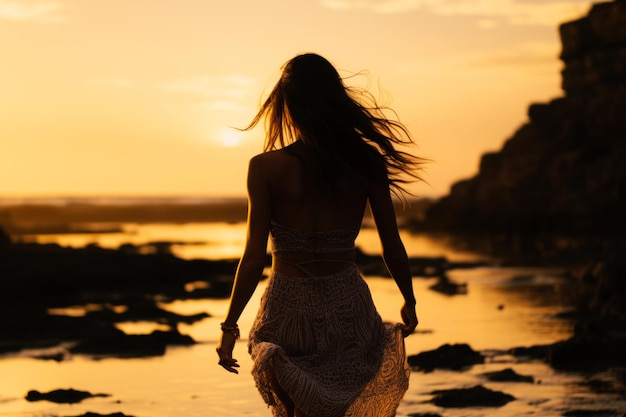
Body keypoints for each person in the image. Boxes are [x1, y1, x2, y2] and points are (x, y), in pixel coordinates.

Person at [216, 53, 424, 417]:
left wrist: (230, 326)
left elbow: (252, 257)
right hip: (347, 305)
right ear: (335, 101)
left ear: (288, 105)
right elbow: (392, 244)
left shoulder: (265, 168)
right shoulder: (366, 163)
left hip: (286, 308)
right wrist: (409, 298)